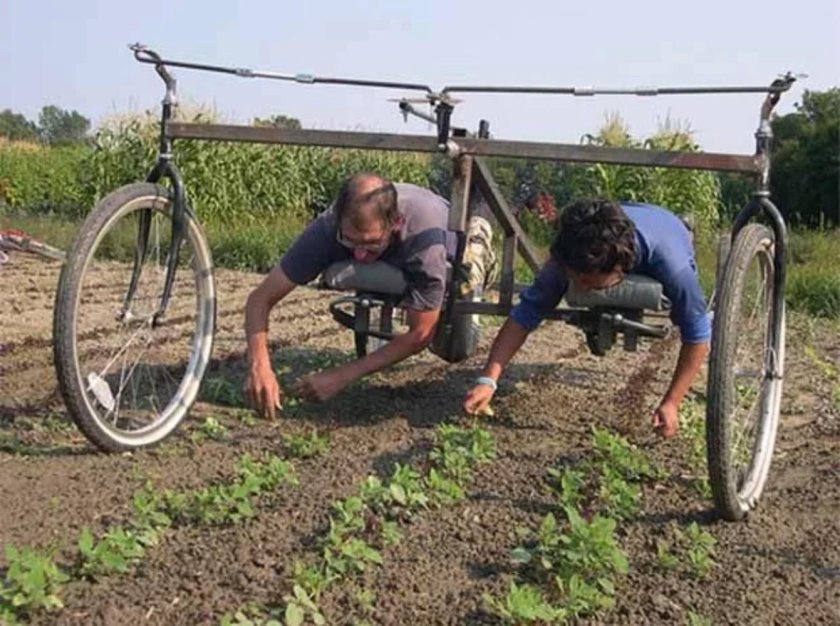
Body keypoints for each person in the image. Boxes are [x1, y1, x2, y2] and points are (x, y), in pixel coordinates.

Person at [244, 172, 495, 418]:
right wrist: (260, 366)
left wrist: (340, 376)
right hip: (398, 256)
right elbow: (260, 299)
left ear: (395, 223)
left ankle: (475, 255)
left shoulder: (424, 241)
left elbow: (420, 335)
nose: (361, 255)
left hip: (452, 245)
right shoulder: (327, 229)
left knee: (455, 351)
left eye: (372, 243)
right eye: (351, 242)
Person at [463, 198, 711, 438]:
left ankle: (686, 225)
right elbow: (525, 314)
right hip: (623, 218)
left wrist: (672, 402)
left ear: (619, 270)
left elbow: (697, 334)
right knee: (550, 287)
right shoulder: (568, 258)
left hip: (666, 230)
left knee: (686, 309)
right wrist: (488, 379)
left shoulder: (673, 266)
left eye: (588, 282)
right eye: (575, 279)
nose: (581, 287)